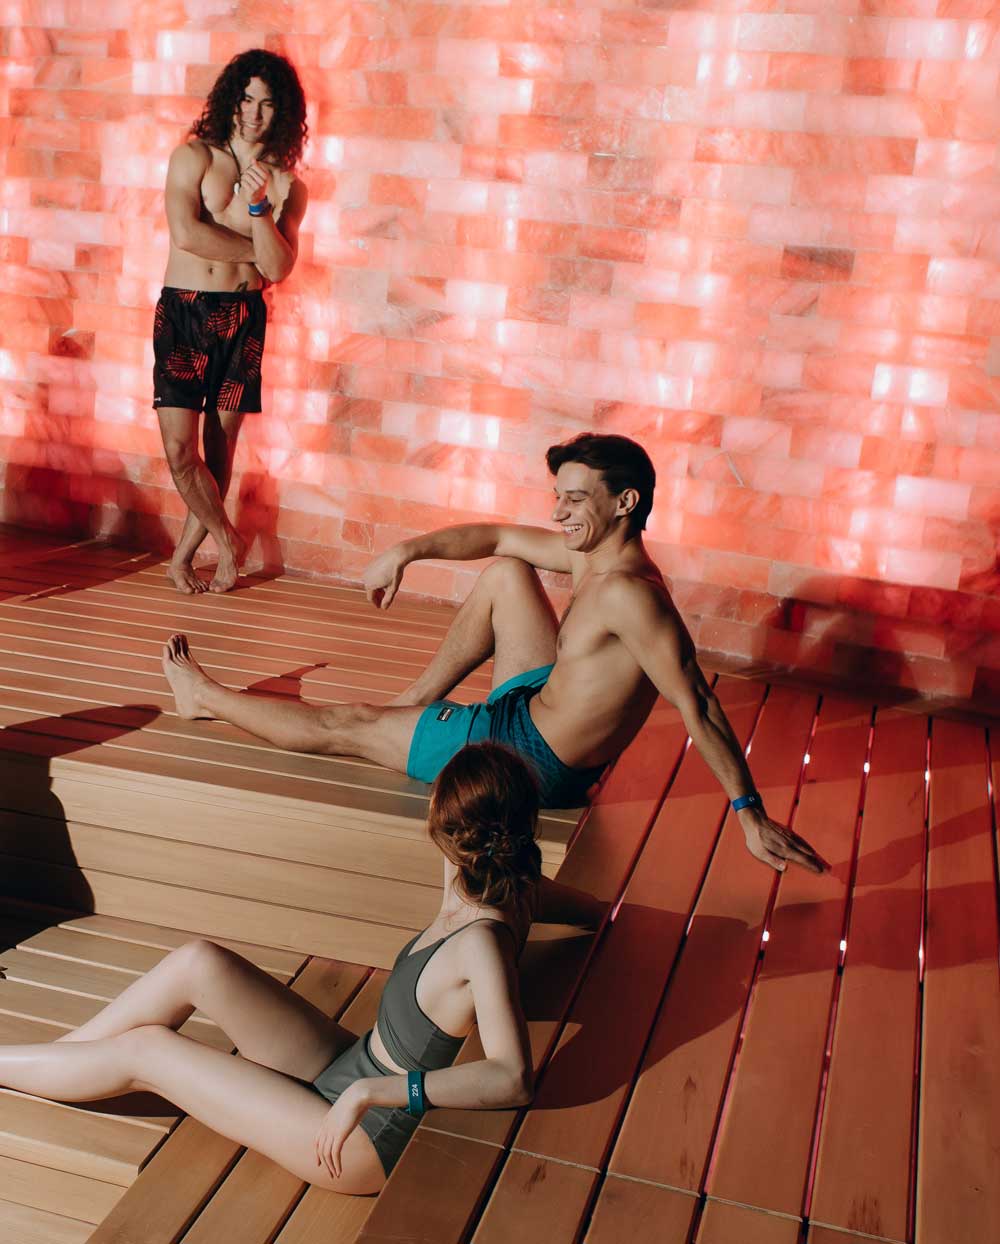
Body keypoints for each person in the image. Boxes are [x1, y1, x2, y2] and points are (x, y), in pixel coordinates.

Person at [162, 432, 826, 874]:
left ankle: (204, 698)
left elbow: (698, 703)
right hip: (532, 705)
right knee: (508, 571)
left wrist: (749, 813)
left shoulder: (630, 596)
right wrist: (406, 551)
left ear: (625, 501)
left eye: (575, 499)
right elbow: (499, 537)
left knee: (349, 724)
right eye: (558, 496)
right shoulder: (593, 557)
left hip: (527, 760)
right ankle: (415, 707)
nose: (559, 512)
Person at [0, 745, 598, 1191]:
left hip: (365, 1140)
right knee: (199, 962)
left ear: (439, 820)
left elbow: (512, 1077)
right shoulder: (506, 885)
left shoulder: (483, 940)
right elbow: (590, 911)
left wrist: (373, 1092)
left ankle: (36, 1066)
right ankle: (58, 1063)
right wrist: (608, 914)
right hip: (351, 1062)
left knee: (147, 1050)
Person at [154, 49, 308, 595]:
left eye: (267, 104)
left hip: (243, 318)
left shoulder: (286, 186)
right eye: (246, 99)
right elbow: (186, 234)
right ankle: (228, 539)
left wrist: (260, 209)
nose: (253, 113)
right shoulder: (194, 156)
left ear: (282, 112)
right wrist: (256, 253)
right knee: (180, 450)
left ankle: (184, 557)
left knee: (219, 449)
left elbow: (279, 270)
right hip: (185, 309)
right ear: (230, 100)